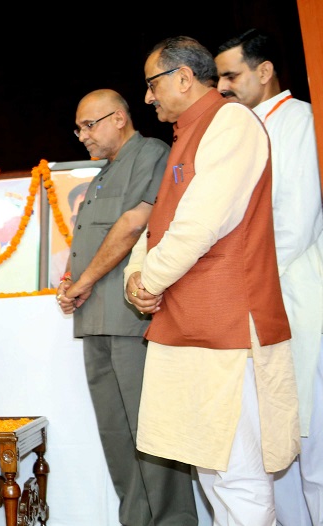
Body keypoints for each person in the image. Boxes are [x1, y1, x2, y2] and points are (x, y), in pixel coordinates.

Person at [125, 35, 300, 525]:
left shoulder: (230, 123)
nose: (148, 97)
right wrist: (136, 278)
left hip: (225, 327)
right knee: (212, 470)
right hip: (191, 327)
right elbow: (160, 222)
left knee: (236, 474)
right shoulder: (187, 133)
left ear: (183, 77)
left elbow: (200, 225)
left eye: (152, 84)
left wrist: (149, 279)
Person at [56, 89, 197, 525]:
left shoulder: (150, 153)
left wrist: (83, 281)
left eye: (89, 124)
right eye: (78, 127)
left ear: (119, 118)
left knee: (152, 435)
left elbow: (135, 223)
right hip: (95, 323)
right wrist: (69, 279)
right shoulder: (102, 174)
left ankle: (173, 521)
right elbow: (91, 240)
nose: (82, 135)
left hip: (132, 320)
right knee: (117, 437)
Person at [215, 28, 323, 526]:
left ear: (265, 71)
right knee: (272, 449)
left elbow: (294, 225)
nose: (221, 88)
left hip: (297, 298)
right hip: (257, 300)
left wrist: (234, 279)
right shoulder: (242, 128)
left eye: (230, 75)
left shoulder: (298, 120)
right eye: (218, 77)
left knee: (310, 449)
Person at [49, 181, 90, 288]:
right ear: (72, 224)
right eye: (78, 218)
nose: (85, 223)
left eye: (90, 216)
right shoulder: (56, 263)